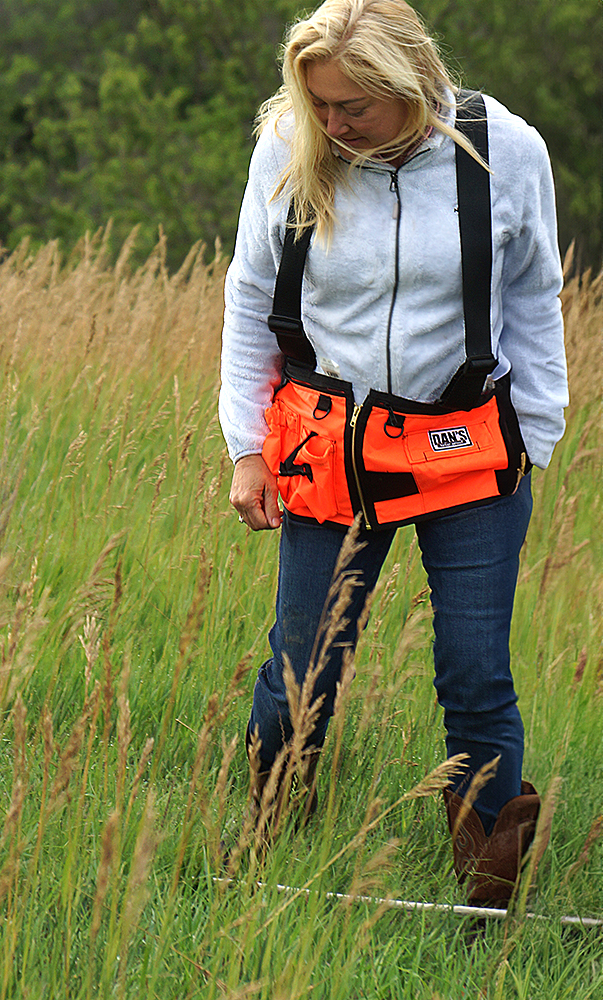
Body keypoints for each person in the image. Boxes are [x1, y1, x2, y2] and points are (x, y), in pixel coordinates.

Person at [218, 0, 568, 907]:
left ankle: (488, 896)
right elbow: (250, 292)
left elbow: (535, 289)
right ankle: (266, 859)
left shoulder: (508, 150)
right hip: (326, 446)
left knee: (475, 669)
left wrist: (537, 429)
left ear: (410, 88)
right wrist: (246, 448)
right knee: (304, 660)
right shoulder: (288, 148)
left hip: (470, 447)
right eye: (318, 104)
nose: (331, 124)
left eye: (352, 108)